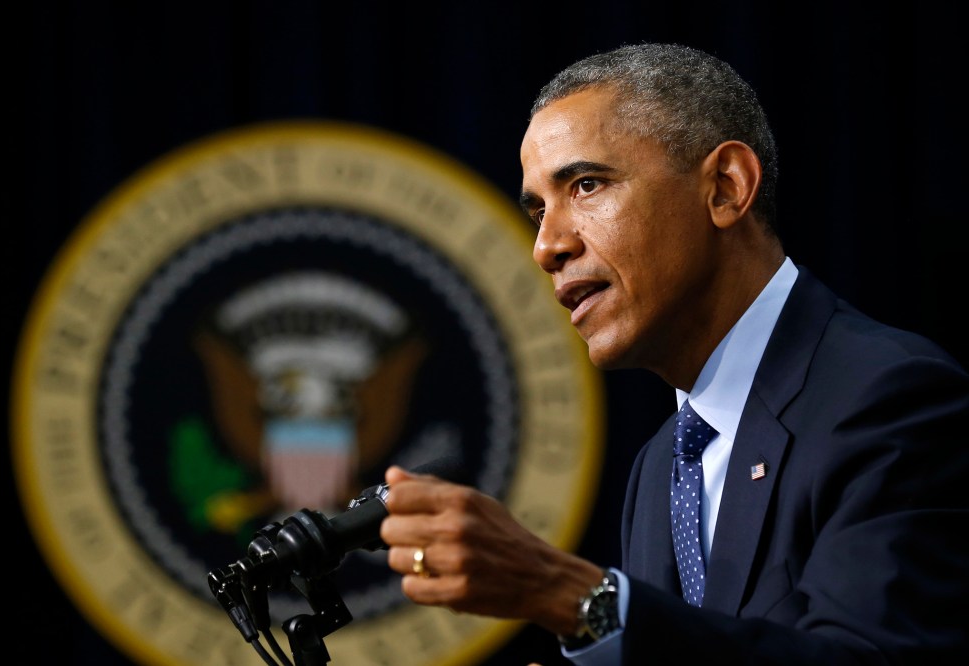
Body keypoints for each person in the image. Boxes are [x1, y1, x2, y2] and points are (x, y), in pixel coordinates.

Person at [379, 42, 969, 664]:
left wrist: (569, 594)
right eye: (538, 213)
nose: (547, 246)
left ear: (725, 188)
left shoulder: (892, 398)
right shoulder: (663, 464)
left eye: (585, 185)